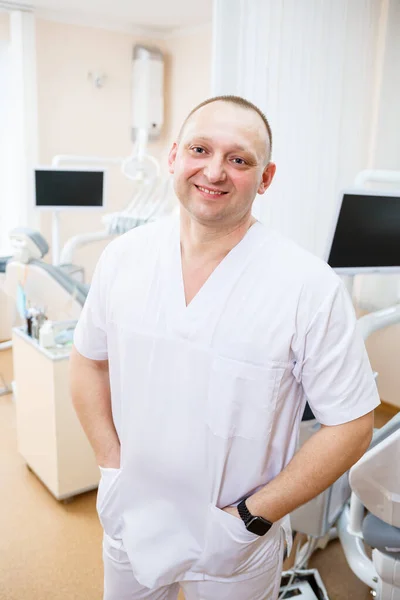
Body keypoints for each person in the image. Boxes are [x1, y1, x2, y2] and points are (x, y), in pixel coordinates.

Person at [70, 95, 380, 600]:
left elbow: (351, 424)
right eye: (200, 149)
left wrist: (252, 518)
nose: (214, 171)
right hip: (132, 511)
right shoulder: (123, 258)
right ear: (173, 157)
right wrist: (110, 466)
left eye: (239, 159)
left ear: (266, 178)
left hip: (233, 540)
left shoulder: (307, 287)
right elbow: (87, 359)